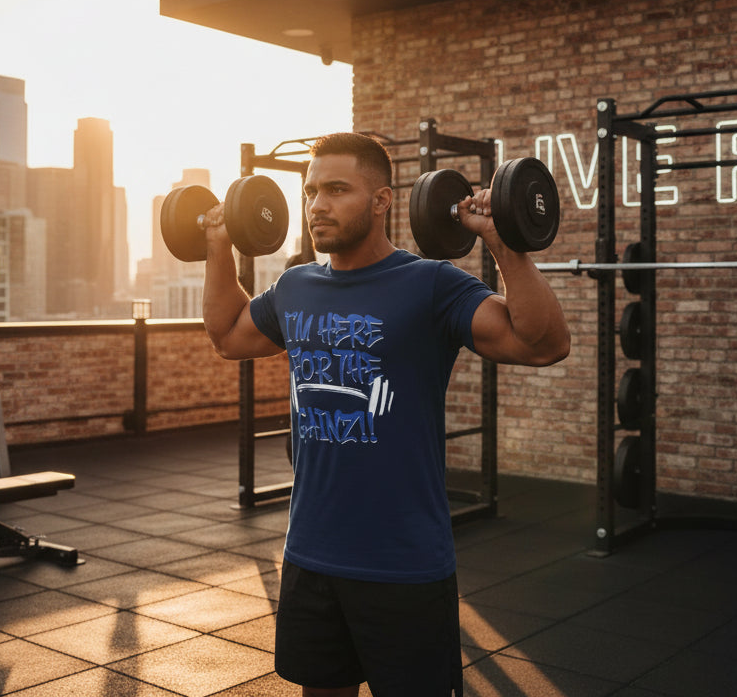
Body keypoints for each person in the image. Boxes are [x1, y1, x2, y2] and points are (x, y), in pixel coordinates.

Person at [201, 132, 570, 697]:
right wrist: (218, 245)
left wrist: (503, 243)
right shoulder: (297, 285)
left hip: (403, 563)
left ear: (382, 201)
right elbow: (228, 335)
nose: (317, 205)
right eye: (310, 191)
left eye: (337, 189)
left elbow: (542, 344)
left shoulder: (430, 284)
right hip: (311, 554)